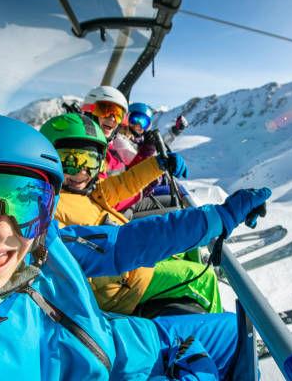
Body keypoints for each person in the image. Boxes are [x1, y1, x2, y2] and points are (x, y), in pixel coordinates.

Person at [0, 113, 272, 380]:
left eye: (26, 202)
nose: (0, 231)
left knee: (244, 334)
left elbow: (123, 242)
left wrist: (218, 218)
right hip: (117, 367)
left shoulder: (43, 246)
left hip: (134, 341)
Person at [40, 113, 221, 316]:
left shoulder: (87, 192)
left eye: (90, 162)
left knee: (187, 249)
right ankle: (230, 343)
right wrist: (142, 253)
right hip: (121, 285)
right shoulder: (50, 209)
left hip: (130, 266)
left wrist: (159, 165)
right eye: (70, 161)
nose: (82, 173)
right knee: (203, 279)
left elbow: (125, 183)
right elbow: (75, 265)